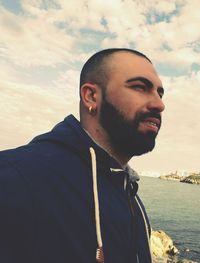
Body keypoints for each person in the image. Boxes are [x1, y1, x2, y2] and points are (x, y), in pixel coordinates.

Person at [0, 48, 165, 263]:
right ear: (91, 96)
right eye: (139, 87)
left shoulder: (128, 194)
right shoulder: (15, 177)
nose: (159, 104)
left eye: (159, 93)